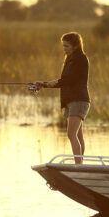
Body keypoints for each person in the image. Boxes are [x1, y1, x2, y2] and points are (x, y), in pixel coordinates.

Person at [36, 32, 90, 164]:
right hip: (72, 101)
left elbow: (70, 80)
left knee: (71, 134)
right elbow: (64, 82)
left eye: (67, 46)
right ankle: (80, 164)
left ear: (75, 45)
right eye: (63, 46)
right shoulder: (69, 60)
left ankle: (78, 166)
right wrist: (44, 85)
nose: (64, 49)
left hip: (79, 100)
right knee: (77, 135)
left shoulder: (81, 59)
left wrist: (55, 82)